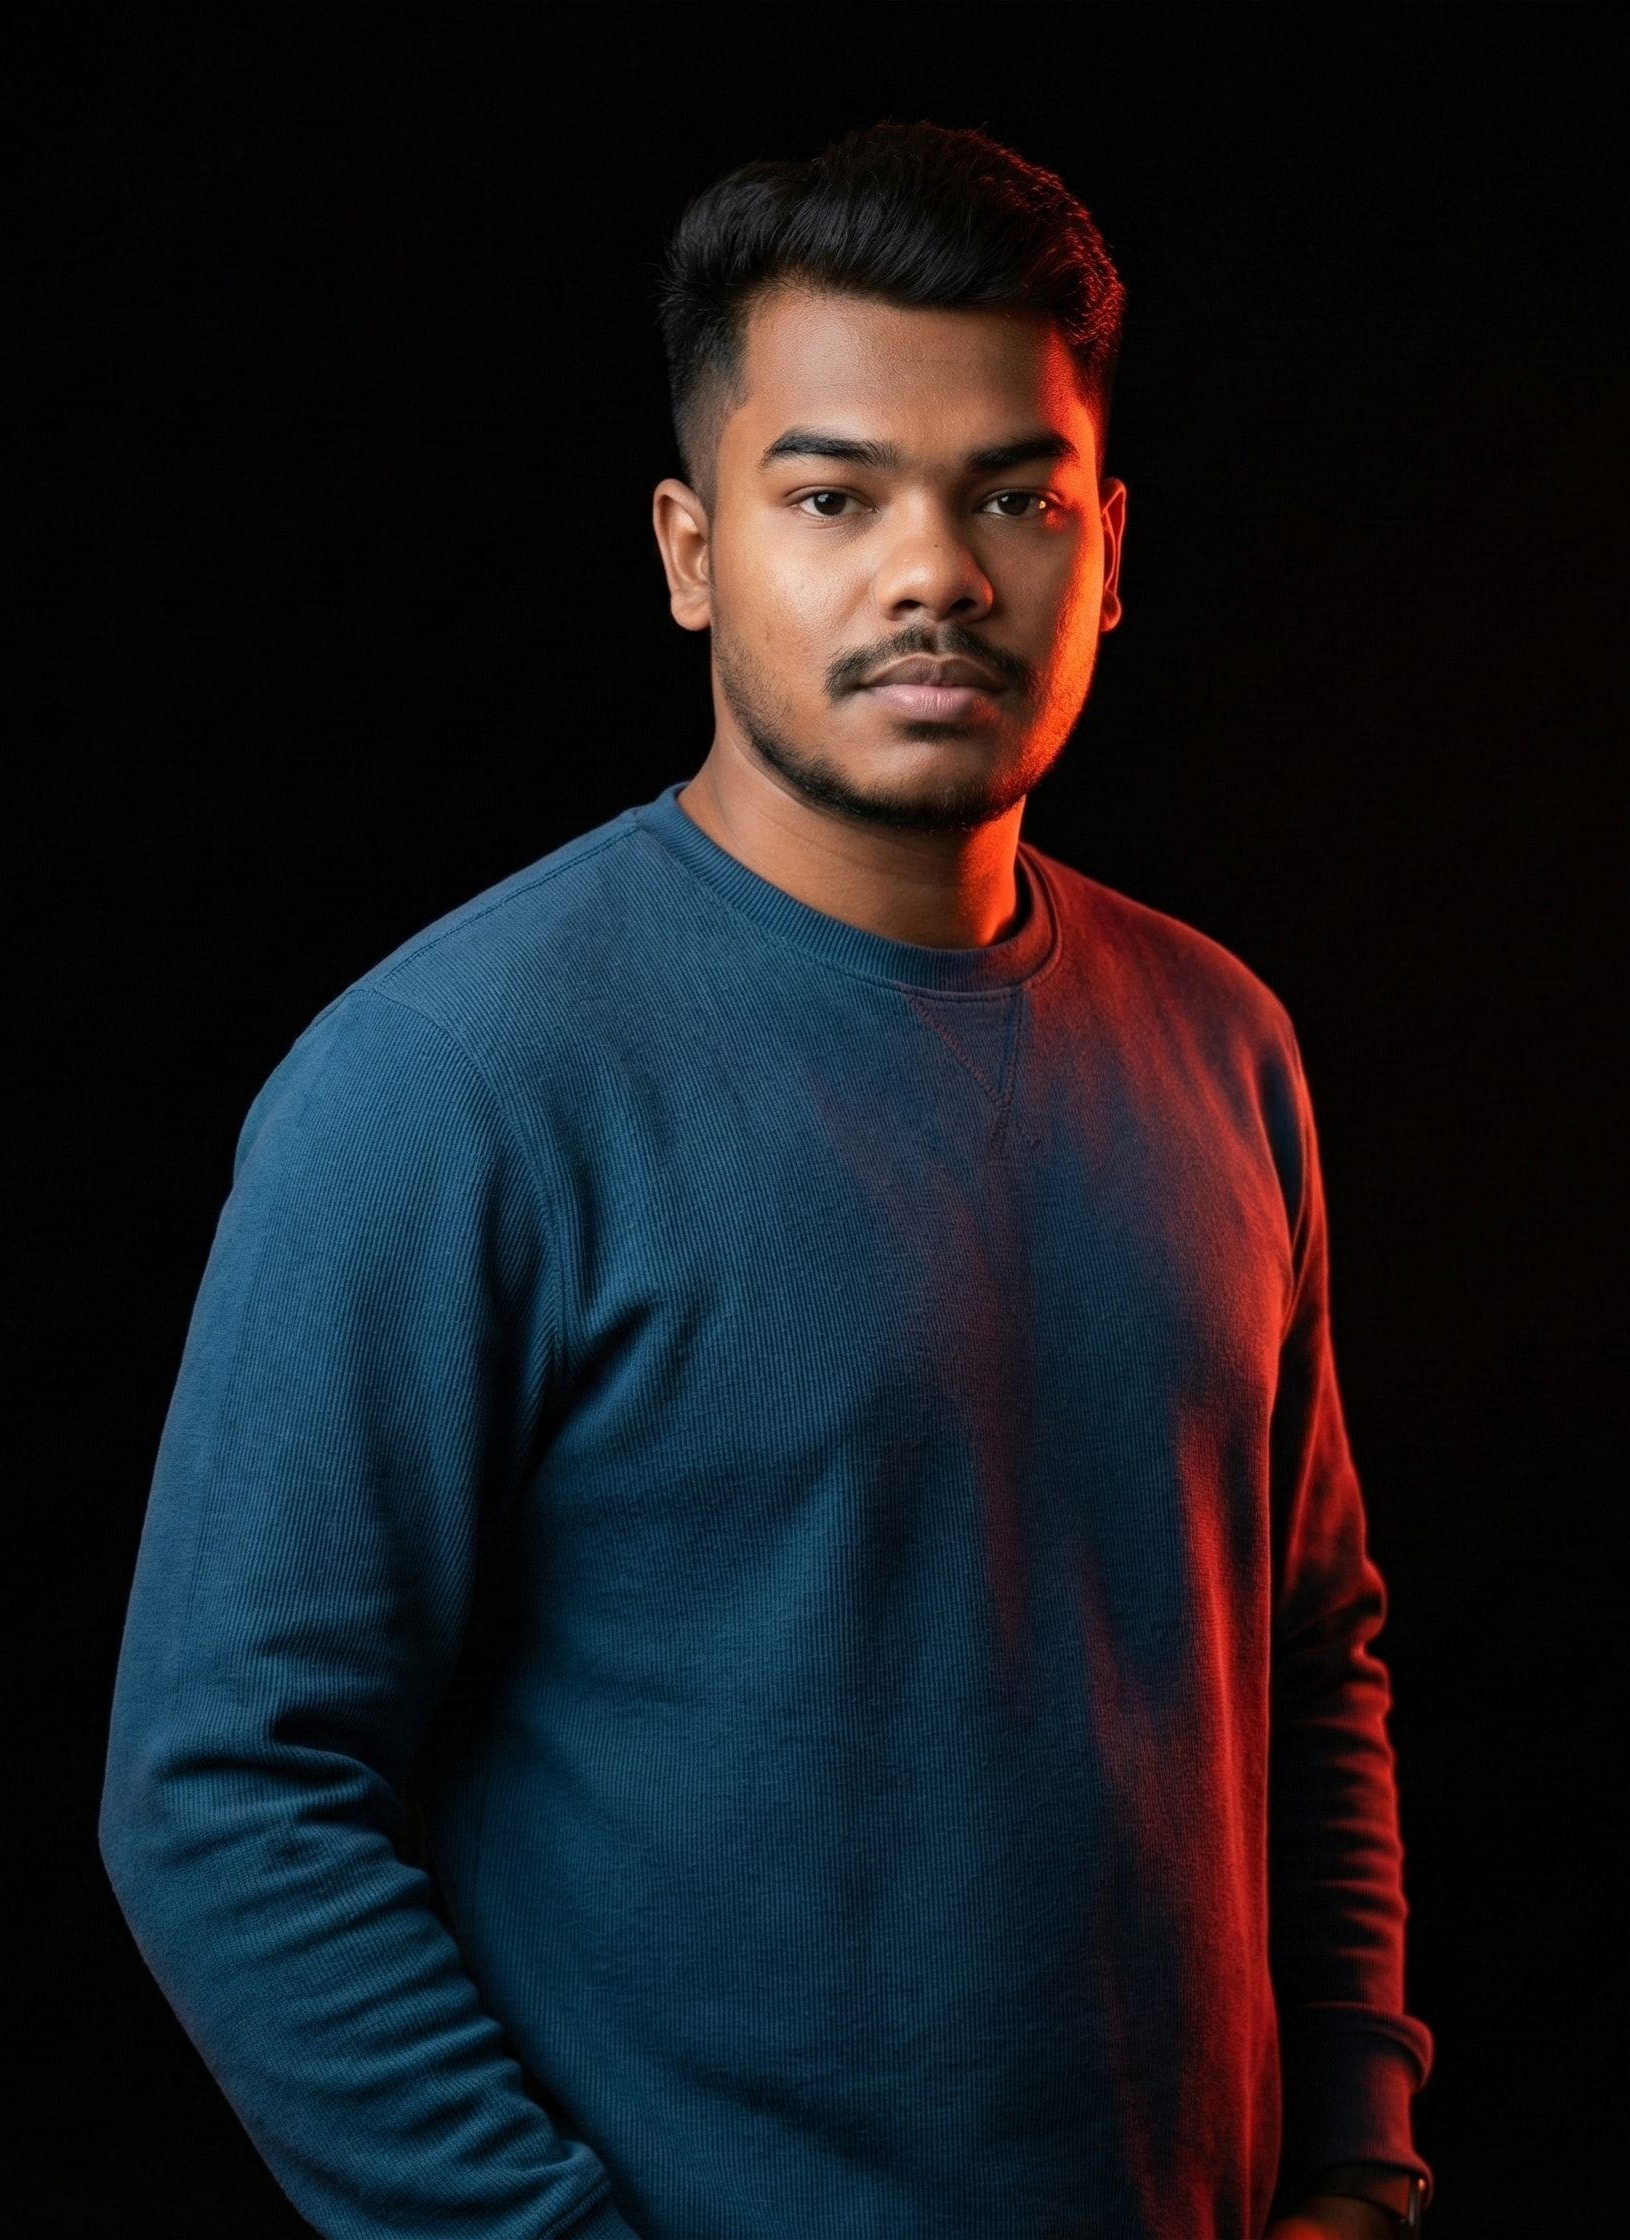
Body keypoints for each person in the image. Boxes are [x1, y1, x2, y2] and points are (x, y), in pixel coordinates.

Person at [102, 123, 1433, 2240]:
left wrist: (1359, 2157)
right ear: (690, 549)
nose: (937, 573)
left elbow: (1308, 1651)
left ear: (1106, 549)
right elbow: (223, 1791)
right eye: (833, 497)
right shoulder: (444, 1082)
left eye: (1013, 497)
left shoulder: (1223, 1043)